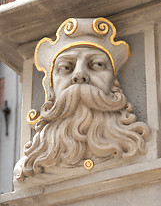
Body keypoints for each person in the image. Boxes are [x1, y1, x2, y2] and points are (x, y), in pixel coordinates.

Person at [14, 17, 150, 181]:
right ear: (51, 90)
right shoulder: (31, 170)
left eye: (97, 64)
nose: (79, 75)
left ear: (114, 84)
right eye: (65, 67)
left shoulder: (149, 149)